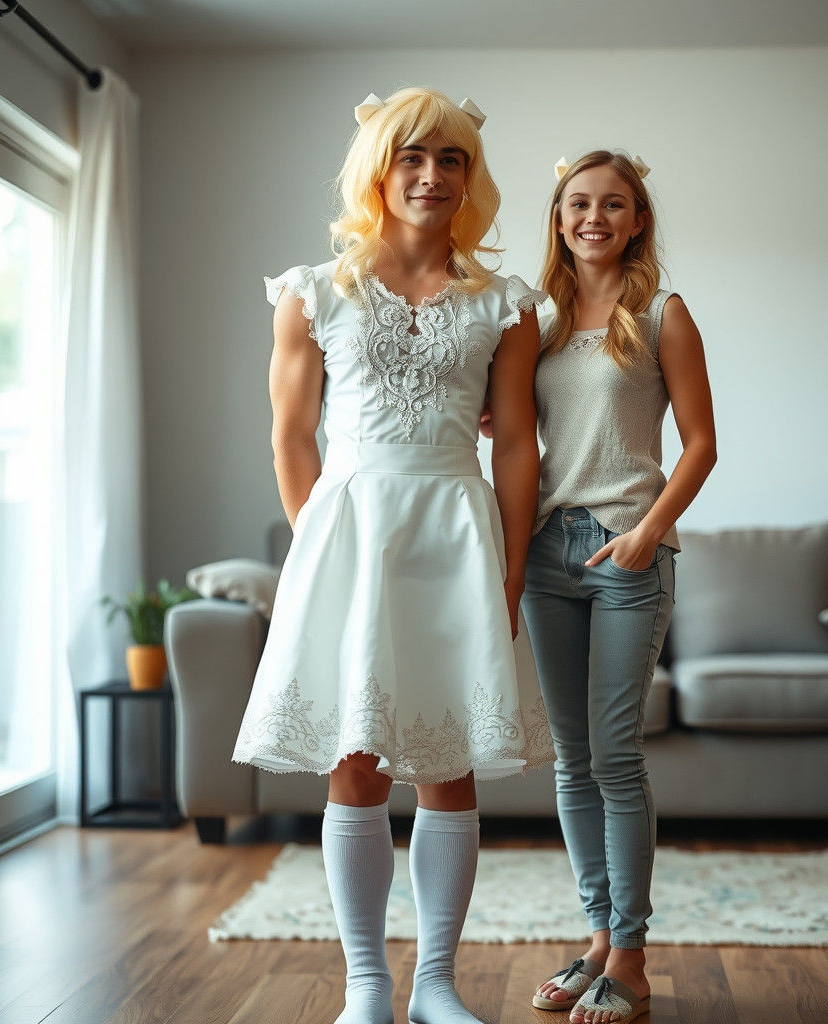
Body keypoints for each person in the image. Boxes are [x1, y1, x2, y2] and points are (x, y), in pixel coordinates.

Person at [231, 87, 554, 1024]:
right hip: (351, 539)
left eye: (450, 159)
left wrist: (511, 566)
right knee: (357, 760)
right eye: (411, 156)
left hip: (456, 536)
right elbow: (292, 438)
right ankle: (366, 987)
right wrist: (323, 549)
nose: (430, 175)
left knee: (448, 762)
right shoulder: (312, 292)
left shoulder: (505, 305)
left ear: (469, 178)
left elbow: (518, 446)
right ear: (378, 170)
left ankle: (435, 985)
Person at [522, 151, 717, 1024]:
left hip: (628, 554)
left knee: (613, 756)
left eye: (612, 205)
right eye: (578, 204)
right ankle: (599, 939)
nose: (593, 218)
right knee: (571, 761)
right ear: (558, 218)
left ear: (637, 219)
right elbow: (514, 433)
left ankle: (631, 960)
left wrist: (645, 533)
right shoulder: (534, 319)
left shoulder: (663, 313)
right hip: (546, 554)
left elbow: (702, 444)